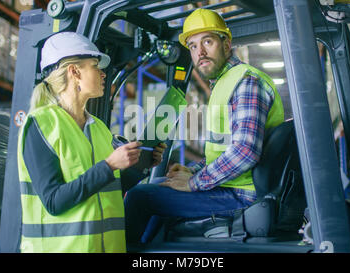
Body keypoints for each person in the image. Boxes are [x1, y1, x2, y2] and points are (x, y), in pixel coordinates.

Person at [124, 8, 284, 243]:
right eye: (193, 46)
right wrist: (194, 170)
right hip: (234, 187)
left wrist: (194, 183)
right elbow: (225, 148)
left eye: (207, 41)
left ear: (226, 44)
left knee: (139, 197)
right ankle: (147, 247)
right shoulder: (224, 84)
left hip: (243, 195)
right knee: (159, 184)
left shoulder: (246, 82)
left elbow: (245, 152)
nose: (200, 52)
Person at [17, 32, 166, 253]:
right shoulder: (41, 124)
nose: (103, 73)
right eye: (95, 66)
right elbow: (54, 201)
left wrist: (140, 164)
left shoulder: (98, 128)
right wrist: (110, 165)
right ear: (74, 71)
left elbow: (109, 189)